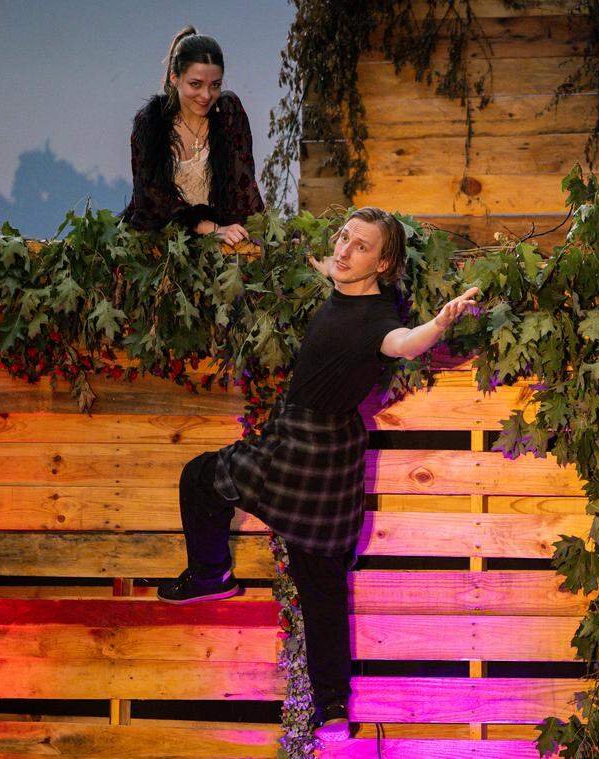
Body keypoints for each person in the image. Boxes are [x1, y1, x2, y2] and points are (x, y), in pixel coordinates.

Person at [156, 207, 480, 743]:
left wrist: (438, 325)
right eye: (343, 239)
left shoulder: (379, 320)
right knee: (201, 481)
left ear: (384, 263)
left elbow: (402, 342)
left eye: (361, 247)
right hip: (298, 439)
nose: (345, 249)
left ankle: (330, 706)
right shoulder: (346, 284)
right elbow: (338, 272)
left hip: (319, 451)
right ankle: (214, 578)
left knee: (320, 583)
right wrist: (329, 267)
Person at [122, 26, 264, 247]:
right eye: (195, 84)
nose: (206, 95)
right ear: (174, 78)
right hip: (162, 243)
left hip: (220, 244)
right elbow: (152, 201)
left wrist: (263, 239)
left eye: (215, 85)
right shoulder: (150, 122)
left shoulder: (229, 113)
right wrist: (210, 228)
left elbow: (243, 188)